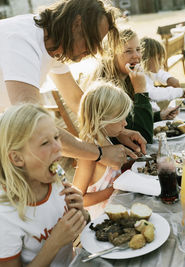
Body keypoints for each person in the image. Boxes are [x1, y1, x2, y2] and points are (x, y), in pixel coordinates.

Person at [0, 0, 146, 170]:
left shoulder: (53, 44)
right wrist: (99, 153)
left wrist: (117, 131)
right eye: (93, 41)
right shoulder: (23, 40)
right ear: (77, 24)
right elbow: (33, 123)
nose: (94, 51)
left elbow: (77, 101)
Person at [0, 103, 91, 266]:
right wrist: (54, 243)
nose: (58, 148)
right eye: (44, 143)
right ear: (17, 158)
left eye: (56, 137)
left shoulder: (56, 182)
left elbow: (84, 226)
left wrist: (81, 214)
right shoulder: (5, 214)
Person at [80, 28, 180, 143]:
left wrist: (159, 116)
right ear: (112, 55)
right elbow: (144, 137)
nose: (136, 56)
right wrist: (140, 90)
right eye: (128, 51)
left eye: (138, 49)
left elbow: (131, 124)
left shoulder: (127, 78)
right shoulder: (108, 89)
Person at [73, 81, 132, 219]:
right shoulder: (90, 152)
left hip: (119, 208)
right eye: (120, 118)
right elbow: (79, 199)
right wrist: (115, 187)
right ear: (102, 119)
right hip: (102, 220)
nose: (125, 123)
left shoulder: (106, 138)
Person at [140, 36, 185, 111]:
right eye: (159, 59)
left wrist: (168, 78)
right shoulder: (139, 76)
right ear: (148, 58)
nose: (161, 63)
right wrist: (179, 92)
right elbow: (153, 94)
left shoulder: (146, 71)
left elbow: (158, 73)